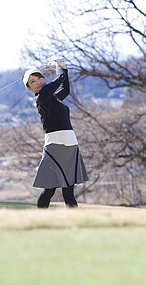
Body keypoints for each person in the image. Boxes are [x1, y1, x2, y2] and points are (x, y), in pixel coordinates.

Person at [23, 59, 88, 208]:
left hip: (70, 144)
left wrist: (63, 69)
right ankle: (40, 221)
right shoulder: (42, 97)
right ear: (29, 88)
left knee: (68, 191)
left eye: (39, 78)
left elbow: (65, 89)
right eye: (33, 82)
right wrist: (59, 67)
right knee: (49, 189)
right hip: (55, 145)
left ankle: (76, 225)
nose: (38, 82)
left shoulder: (54, 98)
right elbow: (59, 80)